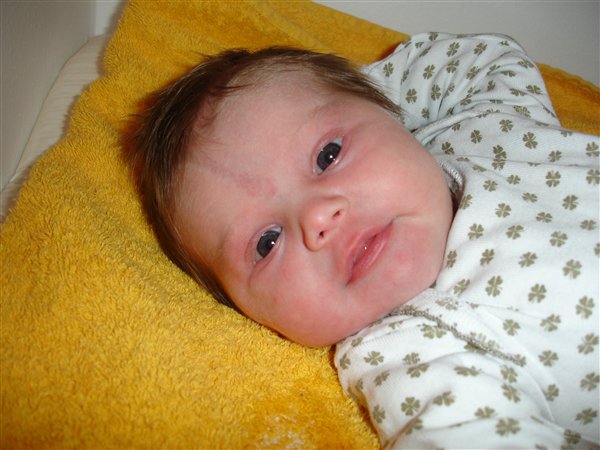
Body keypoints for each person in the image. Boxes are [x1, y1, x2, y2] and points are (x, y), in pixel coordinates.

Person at [130, 32, 599, 448]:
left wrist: (367, 89)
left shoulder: (478, 131)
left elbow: (485, 58)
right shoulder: (408, 349)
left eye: (329, 155)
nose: (317, 217)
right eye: (266, 243)